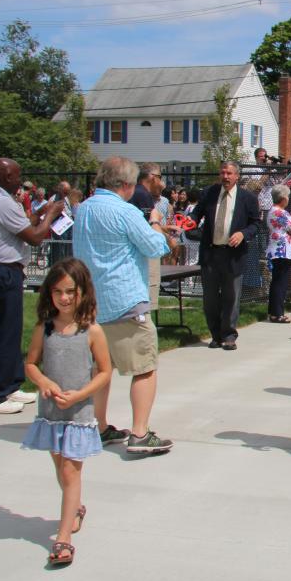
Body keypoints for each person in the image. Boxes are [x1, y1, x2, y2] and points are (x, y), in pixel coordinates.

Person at [73, 156, 177, 454]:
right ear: (127, 184)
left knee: (100, 368)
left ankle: (99, 426)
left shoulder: (84, 209)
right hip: (125, 300)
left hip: (92, 302)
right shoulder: (125, 211)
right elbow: (156, 246)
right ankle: (140, 434)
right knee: (144, 367)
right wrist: (155, 222)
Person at [21, 258, 113, 566]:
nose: (64, 298)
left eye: (71, 291)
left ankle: (63, 540)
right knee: (60, 469)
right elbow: (31, 364)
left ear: (83, 292)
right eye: (58, 291)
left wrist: (82, 394)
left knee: (70, 472)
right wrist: (44, 382)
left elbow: (105, 371)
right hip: (51, 414)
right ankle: (75, 508)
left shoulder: (92, 331)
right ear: (49, 293)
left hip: (78, 415)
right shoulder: (44, 329)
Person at [0, 158, 63, 414]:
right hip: (1, 270)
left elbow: (23, 225)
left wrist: (41, 212)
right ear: (6, 177)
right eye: (17, 176)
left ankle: (10, 384)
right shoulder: (0, 202)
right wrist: (51, 216)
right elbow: (34, 237)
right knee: (4, 334)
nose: (20, 181)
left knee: (10, 332)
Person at [194, 161, 262, 350]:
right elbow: (197, 213)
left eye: (229, 173)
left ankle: (229, 335)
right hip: (210, 253)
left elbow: (256, 224)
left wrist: (243, 234)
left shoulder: (247, 198)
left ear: (237, 176)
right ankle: (215, 335)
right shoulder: (209, 193)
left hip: (233, 255)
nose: (225, 176)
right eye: (223, 172)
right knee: (210, 299)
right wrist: (189, 221)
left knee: (231, 297)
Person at [265, 184, 291, 324]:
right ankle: (277, 313)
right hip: (283, 251)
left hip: (276, 249)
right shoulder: (281, 212)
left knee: (276, 281)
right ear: (283, 198)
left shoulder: (271, 211)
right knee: (280, 283)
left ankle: (273, 311)